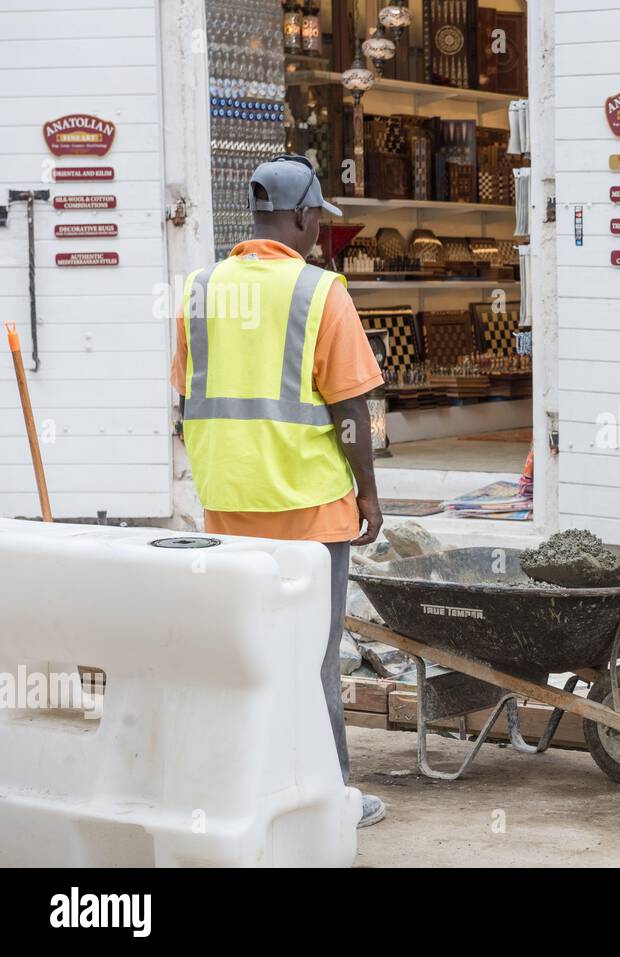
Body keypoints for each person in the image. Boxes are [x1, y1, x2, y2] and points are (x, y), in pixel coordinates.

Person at [169, 154, 387, 827]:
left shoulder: (200, 288)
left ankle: (249, 790)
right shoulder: (321, 292)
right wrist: (368, 495)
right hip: (311, 512)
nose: (321, 229)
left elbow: (186, 397)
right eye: (318, 216)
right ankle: (331, 800)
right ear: (299, 216)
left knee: (246, 657)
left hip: (228, 511)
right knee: (313, 662)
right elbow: (351, 409)